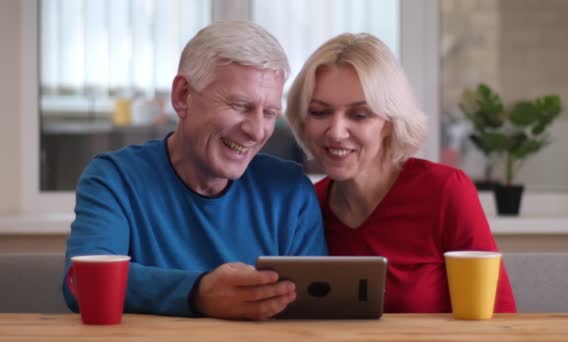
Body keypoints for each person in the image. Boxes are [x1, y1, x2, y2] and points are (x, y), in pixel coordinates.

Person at [63, 21, 327, 320]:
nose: (256, 131)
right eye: (240, 105)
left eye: (269, 113)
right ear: (183, 96)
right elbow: (83, 284)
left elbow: (313, 308)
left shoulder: (290, 190)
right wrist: (197, 293)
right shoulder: (114, 179)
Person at [285, 33, 516, 313]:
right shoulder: (307, 205)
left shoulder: (444, 191)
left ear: (390, 123)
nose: (335, 131)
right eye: (320, 112)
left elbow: (499, 317)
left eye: (359, 115)